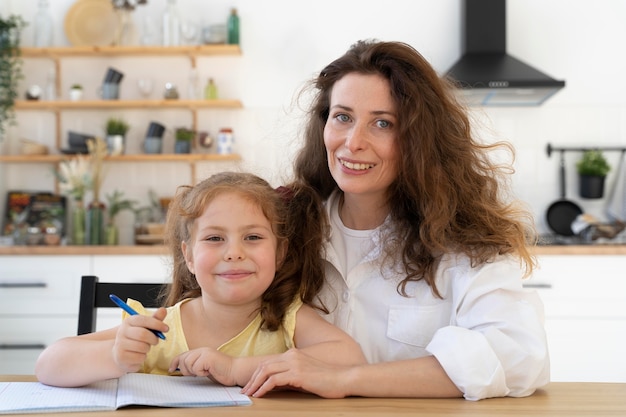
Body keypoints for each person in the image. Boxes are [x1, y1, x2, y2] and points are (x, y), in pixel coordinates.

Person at [242, 40, 549, 401]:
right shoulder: (282, 230)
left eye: (383, 123)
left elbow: (520, 357)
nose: (353, 142)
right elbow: (210, 316)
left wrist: (346, 379)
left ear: (419, 140)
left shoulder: (464, 242)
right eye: (342, 117)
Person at [35, 172, 366, 388]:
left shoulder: (289, 318)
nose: (234, 253)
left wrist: (236, 368)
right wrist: (114, 356)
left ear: (279, 253)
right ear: (189, 257)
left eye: (252, 237)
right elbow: (48, 365)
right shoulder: (159, 328)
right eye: (214, 239)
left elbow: (350, 359)